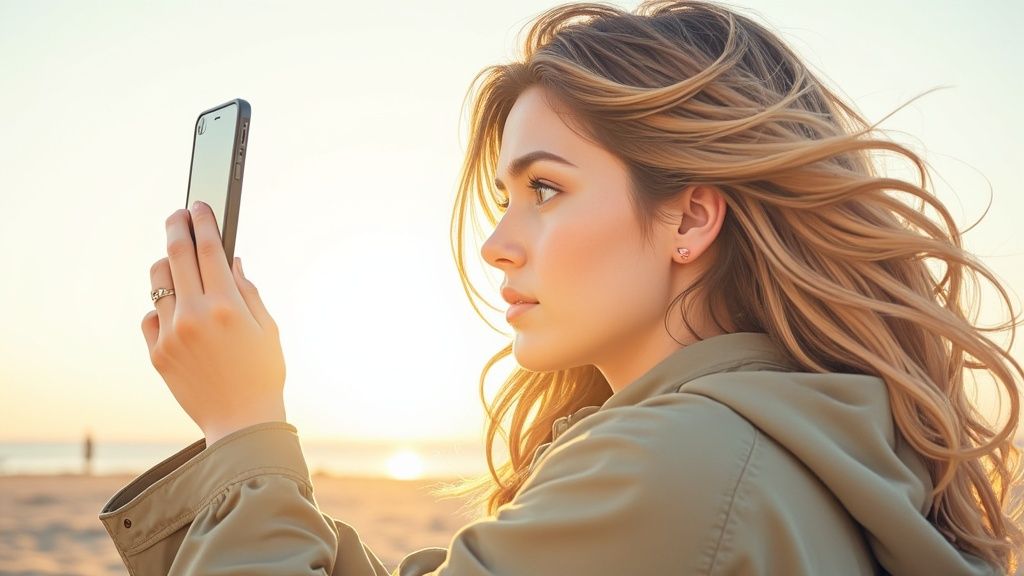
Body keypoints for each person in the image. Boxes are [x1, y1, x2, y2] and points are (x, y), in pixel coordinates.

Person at [97, 1, 1023, 574]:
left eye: (546, 190)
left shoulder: (679, 461)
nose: (498, 244)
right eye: (506, 197)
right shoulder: (805, 434)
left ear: (691, 219)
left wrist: (243, 425)